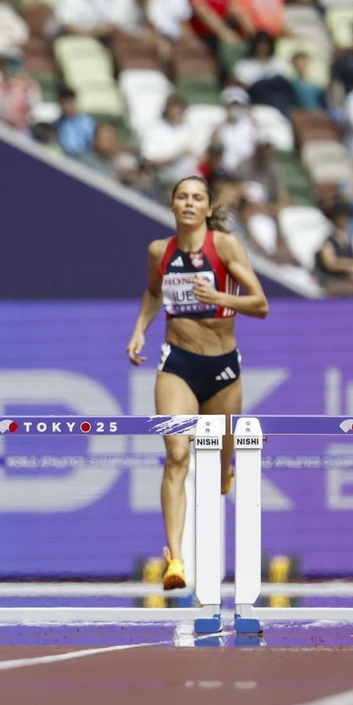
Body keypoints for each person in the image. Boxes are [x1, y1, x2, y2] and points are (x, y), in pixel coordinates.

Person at [126, 177, 268, 590]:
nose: (189, 203)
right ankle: (175, 560)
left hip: (223, 370)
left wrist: (219, 297)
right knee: (176, 454)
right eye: (182, 197)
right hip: (178, 364)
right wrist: (139, 330)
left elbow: (261, 304)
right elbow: (154, 294)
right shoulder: (159, 251)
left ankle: (226, 472)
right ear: (172, 206)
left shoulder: (224, 247)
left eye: (197, 198)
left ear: (207, 208)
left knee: (218, 472)